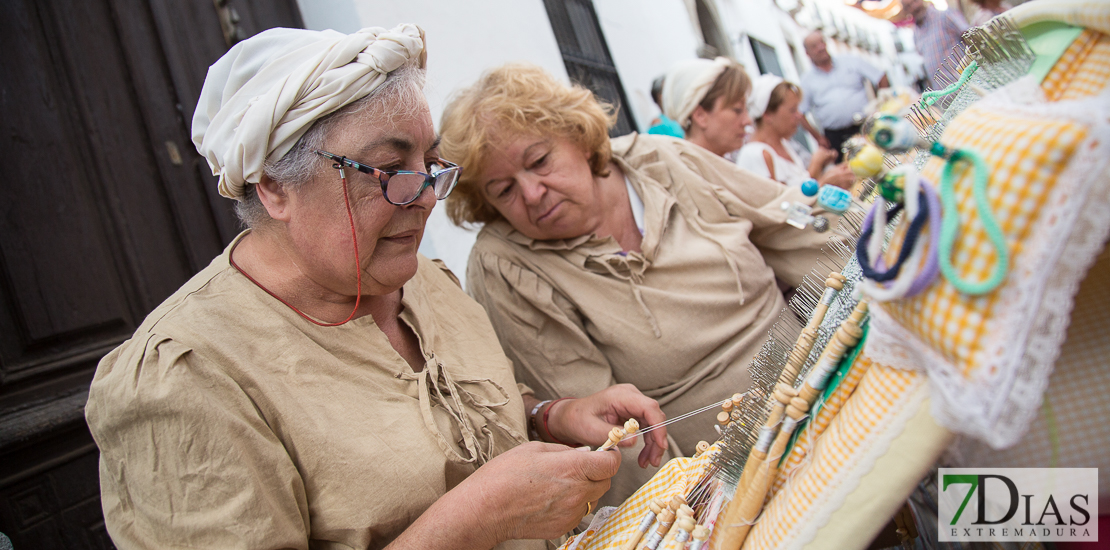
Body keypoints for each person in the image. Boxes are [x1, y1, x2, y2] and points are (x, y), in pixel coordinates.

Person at [85, 25, 667, 550]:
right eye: (390, 171)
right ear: (274, 189)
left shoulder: (425, 283)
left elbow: (461, 413)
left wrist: (552, 415)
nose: (425, 197)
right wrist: (473, 520)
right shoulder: (186, 378)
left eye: (432, 163)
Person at [438, 63, 840, 502]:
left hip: (827, 380)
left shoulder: (665, 160)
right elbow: (617, 437)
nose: (532, 193)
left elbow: (797, 230)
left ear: (577, 136)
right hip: (735, 475)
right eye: (504, 191)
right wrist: (703, 510)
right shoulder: (507, 267)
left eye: (539, 161)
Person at [737, 74, 854, 189]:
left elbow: (799, 188)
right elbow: (779, 205)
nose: (798, 115)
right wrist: (820, 174)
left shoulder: (784, 145)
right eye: (792, 110)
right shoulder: (755, 154)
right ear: (767, 115)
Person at [800, 30, 890, 161]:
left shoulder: (850, 61)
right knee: (850, 174)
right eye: (814, 46)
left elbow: (881, 77)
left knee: (882, 159)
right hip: (836, 138)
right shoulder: (806, 81)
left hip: (866, 126)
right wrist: (818, 138)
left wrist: (881, 107)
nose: (820, 48)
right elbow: (800, 114)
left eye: (822, 42)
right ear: (807, 53)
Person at [660, 57, 752, 158]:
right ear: (700, 116)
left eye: (746, 110)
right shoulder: (682, 171)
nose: (747, 121)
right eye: (737, 110)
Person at [902, 0, 970, 89]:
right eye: (908, 6)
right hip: (943, 95)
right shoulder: (916, 34)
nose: (914, 7)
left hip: (966, 86)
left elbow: (971, 37)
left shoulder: (944, 15)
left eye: (915, 1)